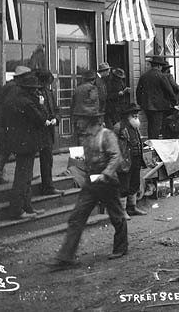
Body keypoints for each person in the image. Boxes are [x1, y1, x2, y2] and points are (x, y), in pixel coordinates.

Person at [49, 93, 128, 269]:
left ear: (89, 120)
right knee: (77, 217)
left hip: (107, 182)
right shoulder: (85, 137)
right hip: (91, 182)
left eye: (80, 120)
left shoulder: (106, 135)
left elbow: (116, 157)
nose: (77, 123)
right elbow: (84, 160)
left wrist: (106, 174)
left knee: (116, 216)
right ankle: (65, 258)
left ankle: (121, 248)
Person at [4, 72, 49, 219]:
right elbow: (41, 119)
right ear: (30, 89)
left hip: (20, 142)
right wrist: (41, 105)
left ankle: (27, 207)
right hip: (27, 143)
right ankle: (17, 209)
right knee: (23, 177)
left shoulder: (17, 99)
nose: (37, 91)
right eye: (34, 89)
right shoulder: (28, 103)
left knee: (25, 176)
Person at [113, 103, 147, 219]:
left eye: (137, 114)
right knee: (124, 185)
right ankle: (122, 211)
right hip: (125, 160)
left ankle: (132, 207)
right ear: (127, 115)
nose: (136, 116)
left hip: (136, 158)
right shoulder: (119, 127)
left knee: (134, 183)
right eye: (134, 114)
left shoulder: (136, 126)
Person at [135, 55, 177, 140]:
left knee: (151, 126)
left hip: (147, 106)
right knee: (156, 128)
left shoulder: (144, 76)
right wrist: (174, 102)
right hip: (158, 107)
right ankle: (154, 146)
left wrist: (140, 102)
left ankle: (152, 144)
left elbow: (138, 91)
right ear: (159, 66)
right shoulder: (162, 76)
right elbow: (169, 91)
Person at [36, 68, 60, 195]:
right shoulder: (35, 92)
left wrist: (56, 119)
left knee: (47, 159)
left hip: (48, 131)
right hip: (39, 130)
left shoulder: (49, 92)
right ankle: (47, 186)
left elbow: (56, 109)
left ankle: (48, 186)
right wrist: (43, 120)